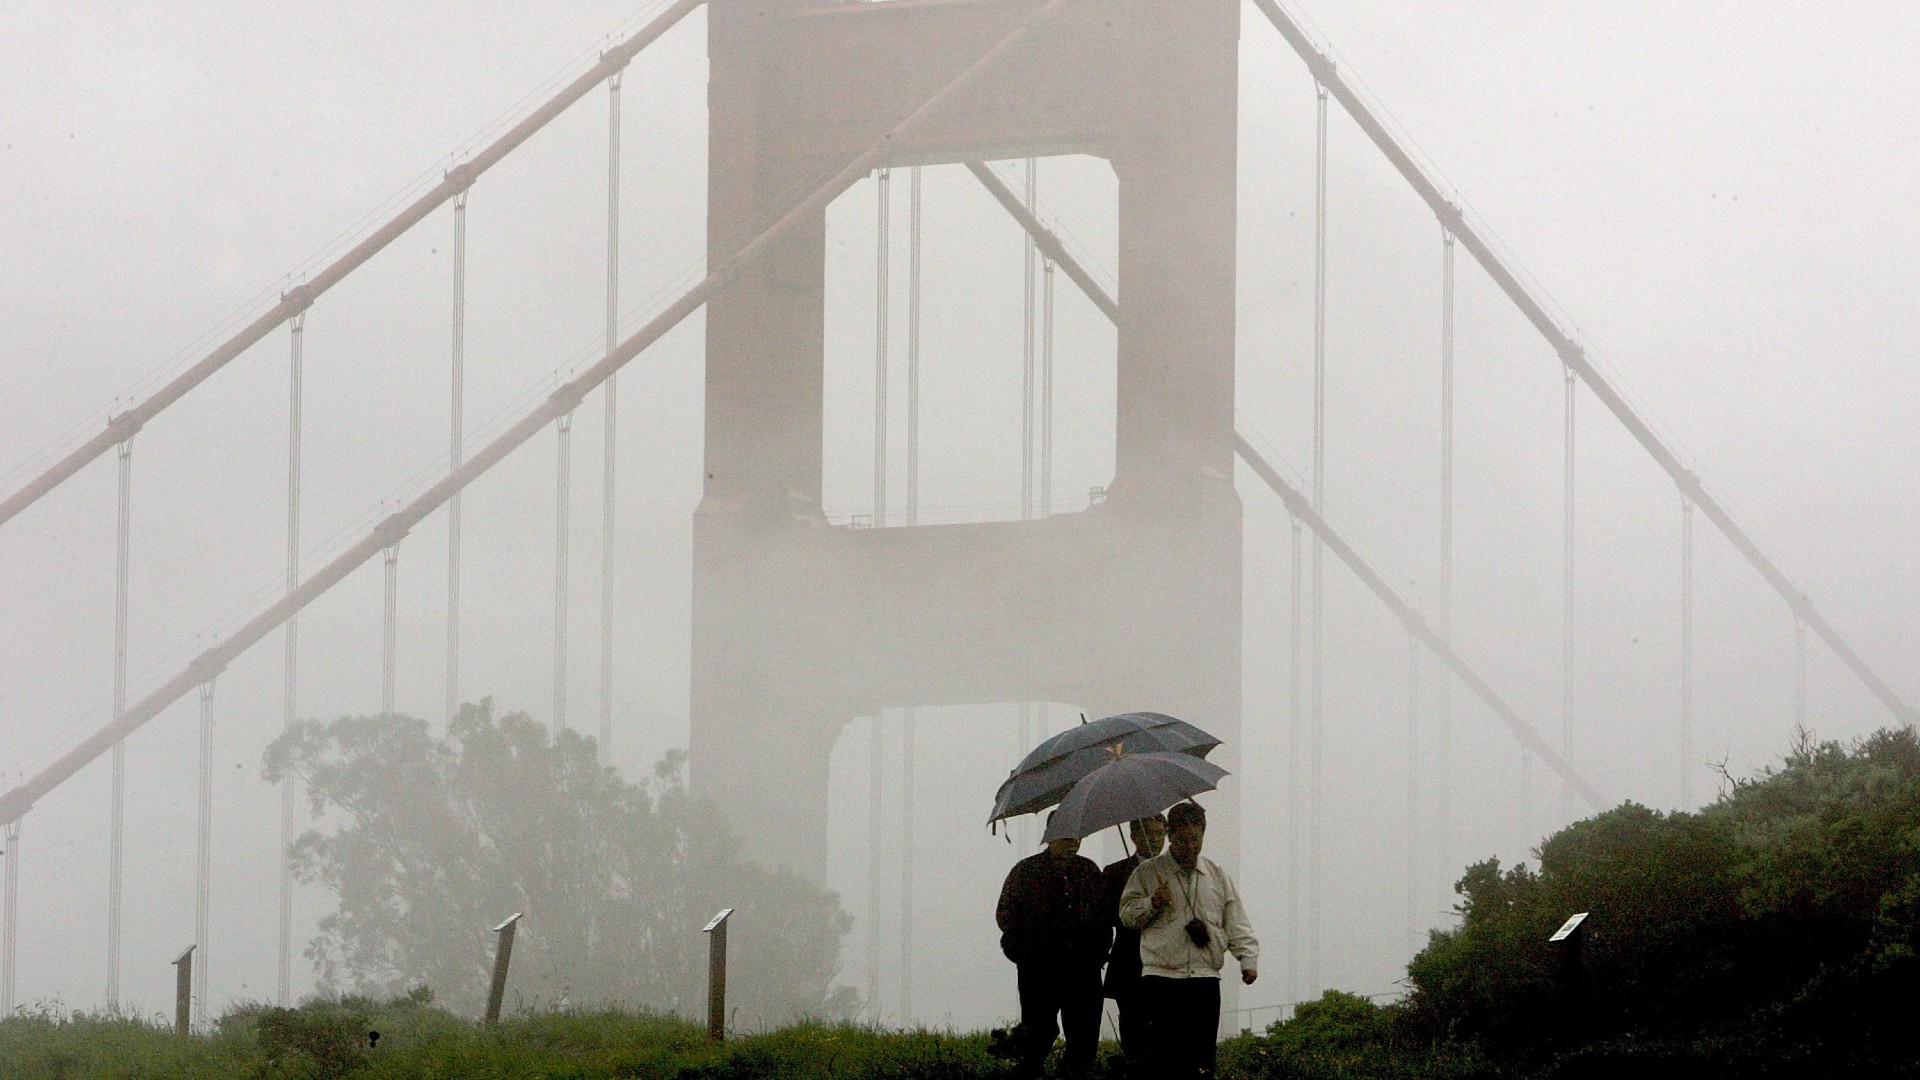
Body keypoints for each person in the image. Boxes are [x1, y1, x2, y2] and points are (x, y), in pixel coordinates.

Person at [1119, 801, 1257, 1079]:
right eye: (1183, 840)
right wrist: (1153, 902)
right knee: (1165, 1058)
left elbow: (1235, 920)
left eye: (1196, 839)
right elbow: (1127, 916)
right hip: (1162, 978)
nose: (1190, 846)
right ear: (1171, 835)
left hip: (1205, 977)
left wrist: (1247, 959)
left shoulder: (1217, 874)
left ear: (1203, 834)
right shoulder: (1147, 873)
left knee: (1203, 1059)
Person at [996, 815, 1110, 1078]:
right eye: (1066, 834)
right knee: (1037, 1034)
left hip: (1083, 970)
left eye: (1077, 835)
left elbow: (1104, 916)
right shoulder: (1025, 872)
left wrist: (1099, 953)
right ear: (1050, 834)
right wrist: (1026, 954)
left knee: (1084, 1037)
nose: (1073, 841)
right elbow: (1006, 917)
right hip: (1039, 970)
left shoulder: (1089, 871)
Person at [1101, 813, 1167, 1073]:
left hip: (1166, 961)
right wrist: (1143, 905)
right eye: (1148, 833)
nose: (1154, 839)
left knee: (1166, 1026)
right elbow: (1108, 915)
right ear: (1133, 837)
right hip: (1129, 961)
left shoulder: (1176, 870)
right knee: (1132, 1025)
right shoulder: (1116, 872)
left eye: (1160, 833)